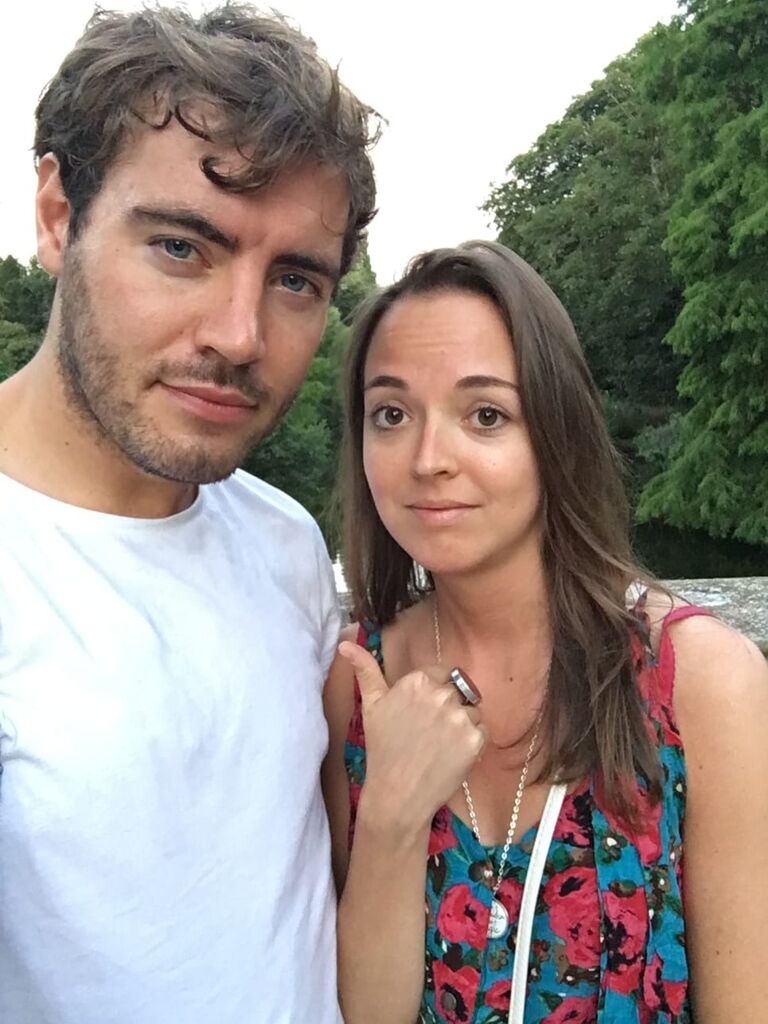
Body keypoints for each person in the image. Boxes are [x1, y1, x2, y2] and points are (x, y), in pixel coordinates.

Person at [0, 5, 377, 1022]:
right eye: (181, 247)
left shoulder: (285, 542)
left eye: (296, 279)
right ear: (55, 214)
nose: (241, 334)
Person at [322, 241, 768, 1024]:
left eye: (485, 415)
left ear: (555, 433)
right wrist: (391, 818)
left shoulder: (698, 683)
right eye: (391, 414)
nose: (429, 459)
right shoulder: (356, 685)